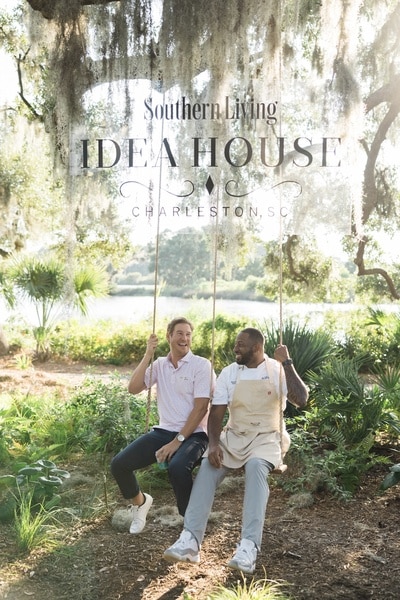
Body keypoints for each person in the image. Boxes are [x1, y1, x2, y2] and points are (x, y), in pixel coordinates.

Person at [163, 327, 308, 574]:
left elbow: (301, 398)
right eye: (235, 344)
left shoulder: (276, 369)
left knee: (255, 468)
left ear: (257, 348)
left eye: (240, 345)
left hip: (266, 437)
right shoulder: (229, 373)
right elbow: (217, 413)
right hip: (235, 435)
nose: (235, 349)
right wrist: (214, 444)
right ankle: (190, 539)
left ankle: (248, 547)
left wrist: (288, 363)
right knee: (208, 468)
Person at [111, 317, 215, 534]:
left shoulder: (201, 365)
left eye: (188, 334)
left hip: (195, 434)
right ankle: (140, 503)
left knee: (177, 467)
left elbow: (201, 408)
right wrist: (148, 354)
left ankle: (190, 525)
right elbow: (133, 388)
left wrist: (177, 442)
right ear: (169, 336)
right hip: (164, 431)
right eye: (179, 333)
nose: (184, 338)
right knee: (119, 465)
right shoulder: (160, 365)